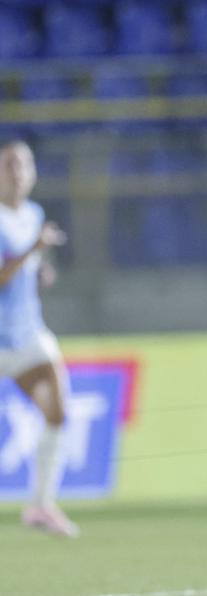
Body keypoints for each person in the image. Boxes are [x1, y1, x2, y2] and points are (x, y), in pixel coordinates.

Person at [0, 140, 78, 538]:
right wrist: (34, 248)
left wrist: (41, 270)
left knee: (58, 411)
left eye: (24, 165)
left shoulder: (33, 214)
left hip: (27, 334)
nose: (18, 173)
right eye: (10, 165)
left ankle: (42, 505)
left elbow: (29, 267)